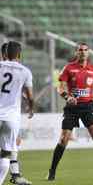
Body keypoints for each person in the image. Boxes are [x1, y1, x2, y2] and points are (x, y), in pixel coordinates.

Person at [46, 43, 93, 181]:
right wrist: (67, 97)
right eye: (80, 50)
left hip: (88, 107)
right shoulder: (68, 68)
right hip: (72, 107)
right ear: (76, 52)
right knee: (63, 140)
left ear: (89, 53)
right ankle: (52, 171)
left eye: (85, 50)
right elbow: (60, 88)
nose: (83, 52)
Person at [0, 41, 34, 185]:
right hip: (10, 118)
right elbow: (30, 96)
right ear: (19, 54)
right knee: (6, 154)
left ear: (4, 54)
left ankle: (16, 175)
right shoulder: (25, 71)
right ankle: (13, 176)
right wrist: (31, 108)